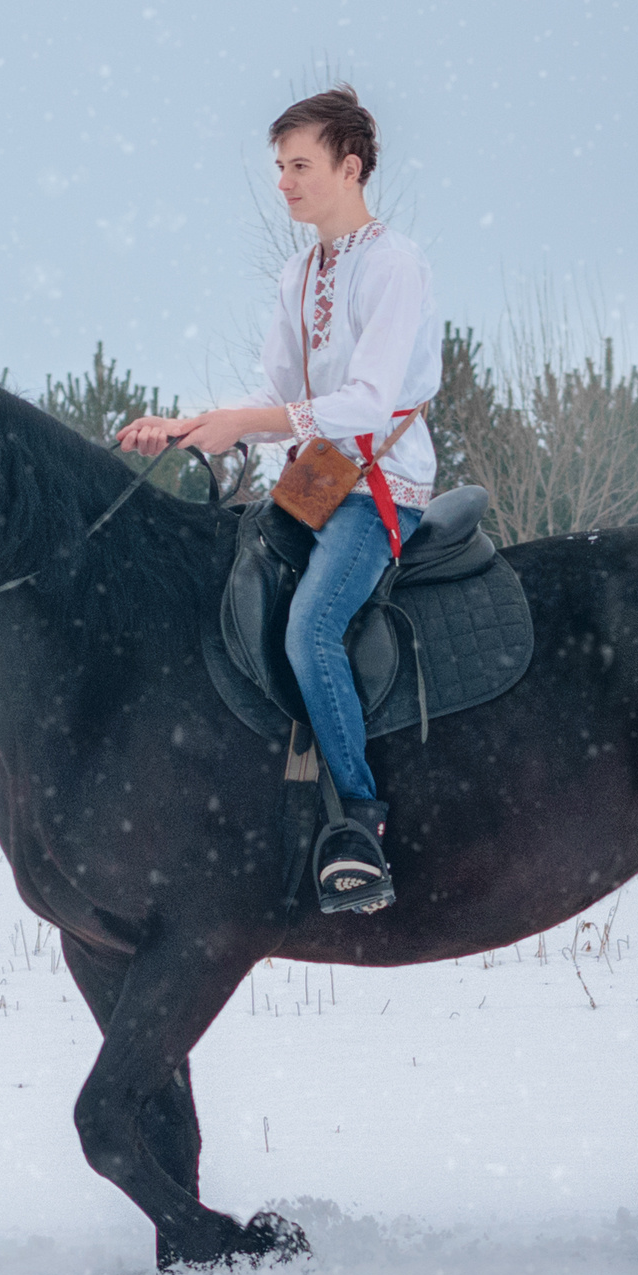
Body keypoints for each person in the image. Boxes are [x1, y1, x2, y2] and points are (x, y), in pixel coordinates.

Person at [119, 84, 437, 914]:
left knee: (310, 626)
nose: (285, 182)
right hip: (312, 482)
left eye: (300, 165)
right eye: (280, 167)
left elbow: (368, 403)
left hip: (377, 483)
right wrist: (193, 427)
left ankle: (359, 825)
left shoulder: (393, 264)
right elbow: (276, 396)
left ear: (351, 166)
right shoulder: (303, 272)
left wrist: (248, 421)